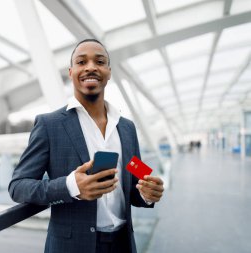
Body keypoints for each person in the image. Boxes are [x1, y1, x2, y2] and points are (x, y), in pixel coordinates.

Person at [8, 39, 164, 253]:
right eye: (82, 62)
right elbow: (18, 186)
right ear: (71, 72)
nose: (91, 67)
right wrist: (72, 186)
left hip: (123, 244)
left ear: (108, 72)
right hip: (71, 246)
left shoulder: (127, 128)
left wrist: (148, 192)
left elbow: (136, 179)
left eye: (99, 61)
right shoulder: (49, 125)